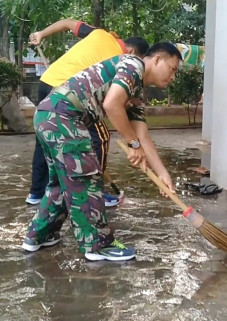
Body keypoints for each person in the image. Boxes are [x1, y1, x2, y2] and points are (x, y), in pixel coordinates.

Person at [21, 42, 182, 262]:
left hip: (49, 115)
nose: (173, 77)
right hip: (64, 116)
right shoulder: (134, 65)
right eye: (172, 69)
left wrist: (163, 173)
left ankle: (38, 235)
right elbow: (112, 105)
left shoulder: (135, 91)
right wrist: (133, 145)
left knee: (61, 182)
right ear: (157, 60)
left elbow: (143, 135)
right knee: (86, 179)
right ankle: (96, 245)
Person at [26, 19, 149, 207]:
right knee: (100, 138)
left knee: (45, 140)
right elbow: (112, 103)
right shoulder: (124, 61)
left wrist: (42, 33)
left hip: (46, 83)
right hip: (67, 93)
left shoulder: (100, 34)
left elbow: (68, 23)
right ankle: (95, 194)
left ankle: (36, 194)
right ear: (132, 53)